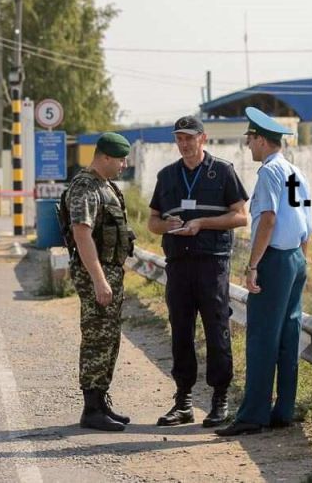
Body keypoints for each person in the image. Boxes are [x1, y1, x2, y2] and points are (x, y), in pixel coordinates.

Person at [216, 107, 312, 437]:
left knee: (261, 338)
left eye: (250, 140)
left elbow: (268, 219)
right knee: (288, 335)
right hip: (295, 259)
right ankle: (283, 410)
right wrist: (300, 263)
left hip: (273, 260)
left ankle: (252, 416)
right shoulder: (295, 172)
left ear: (261, 140)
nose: (247, 146)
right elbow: (305, 226)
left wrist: (253, 265)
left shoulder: (269, 173)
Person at [147, 116, 248, 428]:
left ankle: (220, 400)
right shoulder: (167, 176)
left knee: (216, 330)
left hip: (212, 262)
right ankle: (183, 401)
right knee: (181, 332)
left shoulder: (223, 171)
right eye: (179, 138)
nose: (184, 143)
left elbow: (241, 216)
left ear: (203, 139)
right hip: (178, 264)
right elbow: (152, 222)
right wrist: (168, 225)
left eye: (190, 138)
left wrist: (202, 223)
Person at [63, 132, 136, 432]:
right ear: (104, 157)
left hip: (110, 272)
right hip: (98, 273)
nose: (124, 164)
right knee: (96, 338)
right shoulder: (85, 187)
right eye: (120, 159)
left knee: (109, 338)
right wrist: (99, 279)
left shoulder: (107, 186)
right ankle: (91, 408)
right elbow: (82, 233)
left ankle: (101, 401)